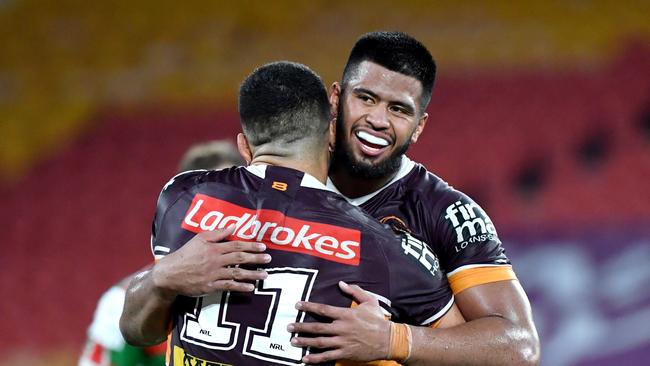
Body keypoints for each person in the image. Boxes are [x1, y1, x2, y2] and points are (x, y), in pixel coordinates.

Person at [119, 61, 464, 366]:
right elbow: (471, 352)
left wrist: (160, 279)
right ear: (331, 133)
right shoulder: (381, 245)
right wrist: (394, 340)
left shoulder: (182, 197)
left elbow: (139, 332)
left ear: (244, 145)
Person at [287, 31, 541, 365]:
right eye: (366, 98)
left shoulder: (448, 212)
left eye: (398, 110)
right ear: (336, 97)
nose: (378, 120)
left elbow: (520, 347)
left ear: (419, 126)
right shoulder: (282, 176)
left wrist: (393, 339)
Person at [79, 140, 245, 366]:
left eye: (231, 199)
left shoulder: (290, 288)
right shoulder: (122, 302)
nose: (220, 216)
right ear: (185, 208)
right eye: (210, 204)